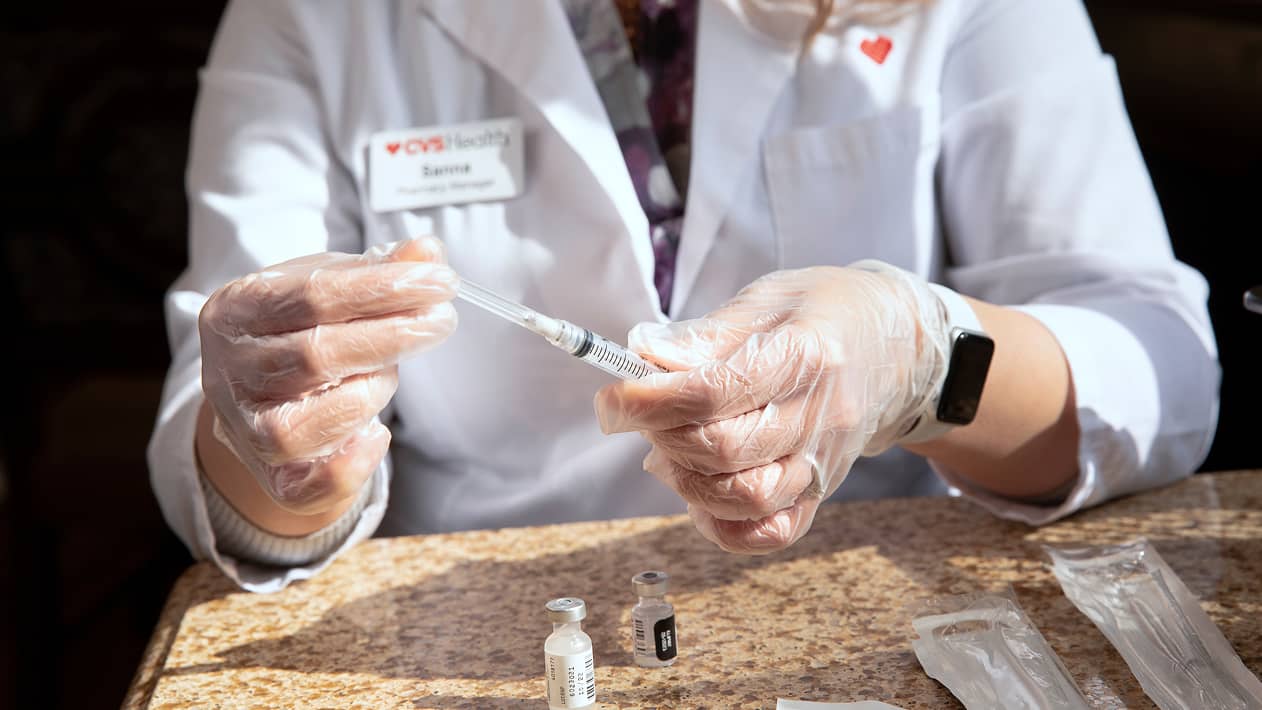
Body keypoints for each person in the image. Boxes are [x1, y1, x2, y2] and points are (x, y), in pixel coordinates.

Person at [148, 0, 1219, 592]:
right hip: (479, 630)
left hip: (877, 604)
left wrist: (920, 357)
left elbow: (1156, 364)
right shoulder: (309, 19)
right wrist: (289, 454)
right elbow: (223, 413)